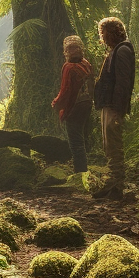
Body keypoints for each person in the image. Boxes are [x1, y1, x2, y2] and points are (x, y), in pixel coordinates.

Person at [93, 17, 135, 199]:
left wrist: (118, 109)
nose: (102, 37)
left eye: (104, 33)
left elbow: (123, 83)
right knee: (109, 146)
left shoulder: (123, 50)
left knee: (114, 146)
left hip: (114, 106)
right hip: (108, 104)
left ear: (112, 33)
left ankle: (117, 186)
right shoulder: (116, 50)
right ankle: (112, 184)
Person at [51, 35, 95, 174]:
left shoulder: (68, 67)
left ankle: (80, 173)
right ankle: (83, 171)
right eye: (70, 49)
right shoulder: (86, 63)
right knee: (81, 139)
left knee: (76, 142)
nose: (72, 51)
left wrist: (56, 104)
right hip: (87, 104)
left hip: (74, 108)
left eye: (73, 48)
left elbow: (66, 91)